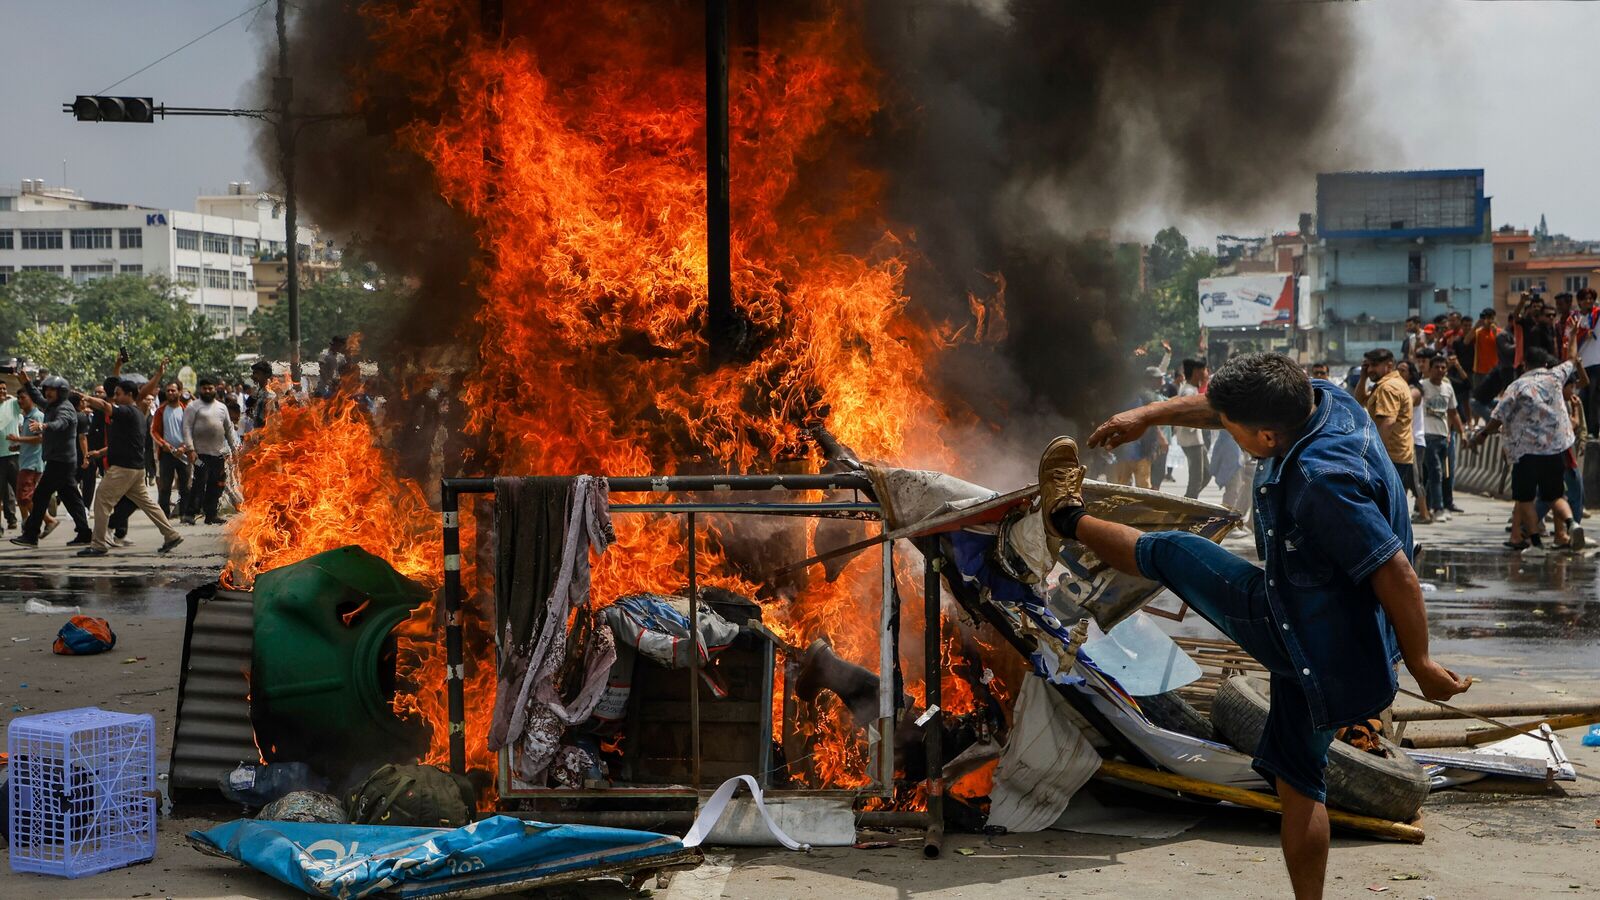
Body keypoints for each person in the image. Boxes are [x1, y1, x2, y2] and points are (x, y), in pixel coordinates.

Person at [1041, 353, 1469, 900]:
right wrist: (1147, 415)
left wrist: (1422, 664)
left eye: (1232, 428)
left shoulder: (1320, 481)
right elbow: (1223, 407)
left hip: (1300, 630)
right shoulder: (1324, 399)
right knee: (1300, 779)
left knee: (1172, 552)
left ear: (1266, 436)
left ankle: (1063, 516)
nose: (1224, 428)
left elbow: (1396, 572)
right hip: (1334, 628)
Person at [1470, 345, 1588, 551]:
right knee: (1555, 496)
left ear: (1525, 365)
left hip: (1526, 452)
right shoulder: (1556, 376)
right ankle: (1572, 523)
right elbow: (1572, 358)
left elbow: (1498, 416)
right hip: (1555, 450)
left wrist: (1483, 434)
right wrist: (1572, 336)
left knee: (1524, 499)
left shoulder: (1517, 386)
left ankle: (1535, 542)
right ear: (1545, 363)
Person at [76, 363, 183, 557]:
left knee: (101, 499)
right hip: (135, 469)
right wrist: (100, 453)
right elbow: (123, 443)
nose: (115, 397)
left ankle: (98, 544)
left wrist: (87, 398)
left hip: (124, 469)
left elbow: (105, 406)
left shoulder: (127, 411)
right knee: (148, 504)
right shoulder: (136, 414)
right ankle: (171, 535)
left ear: (130, 395)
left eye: (118, 394)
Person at [9, 371, 91, 546]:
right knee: (71, 498)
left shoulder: (65, 408)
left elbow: (61, 423)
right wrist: (27, 384)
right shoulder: (52, 405)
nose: (48, 393)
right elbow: (37, 398)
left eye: (52, 390)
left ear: (62, 392)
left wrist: (44, 426)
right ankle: (84, 532)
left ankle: (31, 535)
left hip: (61, 461)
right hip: (60, 460)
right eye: (47, 389)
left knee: (40, 496)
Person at [1352, 348, 1416, 510]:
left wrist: (1375, 454)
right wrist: (1363, 377)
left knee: (1385, 506)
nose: (1370, 369)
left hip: (1390, 455)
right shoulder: (1387, 383)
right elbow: (1358, 401)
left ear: (1389, 365)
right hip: (1396, 454)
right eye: (1368, 365)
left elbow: (1388, 421)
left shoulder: (1388, 387)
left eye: (1374, 365)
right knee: (1391, 504)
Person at [182, 376, 239, 525]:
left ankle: (211, 514)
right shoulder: (193, 407)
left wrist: (234, 449)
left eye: (210, 388)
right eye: (204, 388)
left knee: (216, 484)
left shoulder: (222, 407)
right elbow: (186, 428)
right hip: (200, 455)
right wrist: (190, 449)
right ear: (200, 390)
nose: (207, 391)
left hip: (218, 455)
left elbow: (228, 429)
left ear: (215, 389)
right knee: (200, 482)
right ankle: (190, 513)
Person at [1420, 354, 1465, 521]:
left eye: (1443, 367)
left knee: (1437, 473)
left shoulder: (1448, 388)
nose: (1440, 370)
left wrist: (1462, 433)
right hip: (1427, 436)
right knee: (1436, 472)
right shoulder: (1421, 387)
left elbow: (1453, 412)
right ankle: (1438, 508)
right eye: (1436, 367)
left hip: (1443, 436)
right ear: (1430, 369)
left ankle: (1421, 506)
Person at [152, 380, 190, 518]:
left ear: (179, 392)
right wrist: (163, 444)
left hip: (183, 454)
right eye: (168, 390)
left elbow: (192, 432)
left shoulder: (186, 411)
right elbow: (154, 431)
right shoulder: (160, 411)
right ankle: (164, 515)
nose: (170, 393)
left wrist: (184, 447)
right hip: (167, 454)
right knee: (165, 487)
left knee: (185, 487)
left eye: (173, 390)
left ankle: (185, 514)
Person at [1175, 358, 1209, 498]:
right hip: (1192, 441)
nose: (1207, 373)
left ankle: (1188, 501)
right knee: (1196, 479)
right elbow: (1187, 417)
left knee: (1206, 474)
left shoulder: (1192, 389)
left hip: (1196, 439)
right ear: (1196, 372)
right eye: (1204, 369)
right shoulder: (1189, 392)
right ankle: (1187, 506)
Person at [1575, 288, 1600, 438]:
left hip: (1597, 362)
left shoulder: (1598, 315)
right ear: (1579, 301)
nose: (1588, 301)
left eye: (1591, 298)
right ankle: (1583, 429)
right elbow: (1569, 338)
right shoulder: (1575, 318)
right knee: (1582, 397)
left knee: (1594, 397)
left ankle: (1593, 430)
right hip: (1581, 364)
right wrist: (1583, 334)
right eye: (1585, 298)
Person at [0, 381, 21, 533]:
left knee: (20, 491)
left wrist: (10, 397)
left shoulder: (13, 405)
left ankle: (27, 522)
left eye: (4, 389)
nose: (2, 391)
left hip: (13, 455)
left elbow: (25, 398)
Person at [248, 359, 279, 431]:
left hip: (266, 433)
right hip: (257, 431)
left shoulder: (270, 395)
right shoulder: (259, 391)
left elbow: (270, 419)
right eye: (254, 373)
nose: (255, 376)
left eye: (258, 373)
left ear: (266, 375)